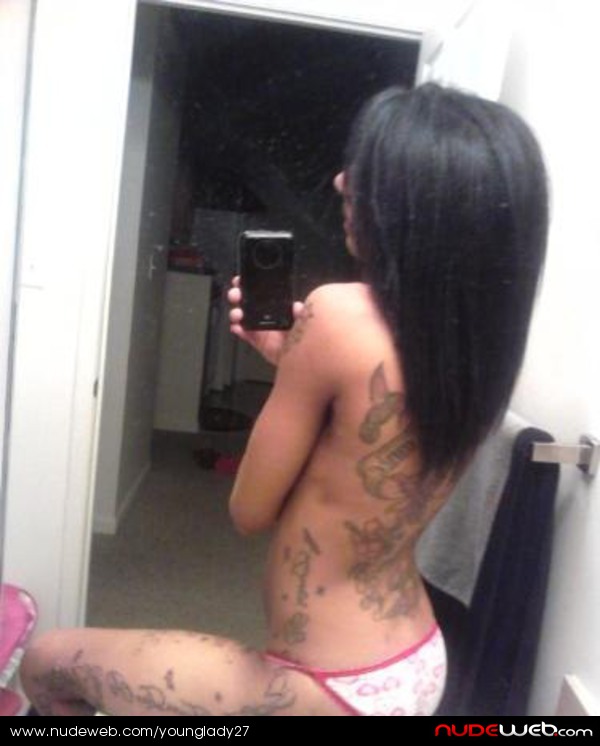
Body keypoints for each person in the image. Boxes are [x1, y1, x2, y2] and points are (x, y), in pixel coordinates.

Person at [19, 83, 548, 717]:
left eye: (369, 171)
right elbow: (360, 458)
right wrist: (292, 364)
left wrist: (294, 374)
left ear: (421, 204)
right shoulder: (477, 345)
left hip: (328, 681)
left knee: (48, 662)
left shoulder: (339, 316)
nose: (342, 180)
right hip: (414, 659)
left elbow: (250, 509)